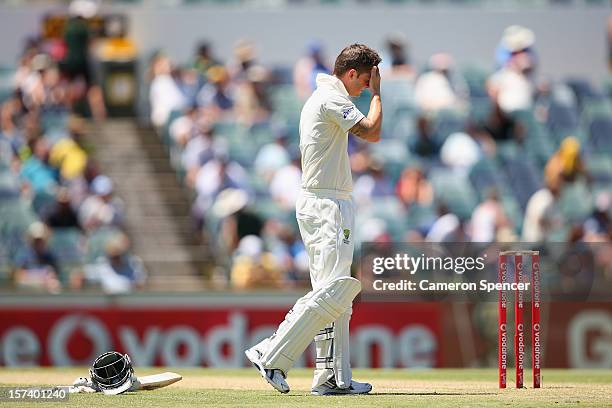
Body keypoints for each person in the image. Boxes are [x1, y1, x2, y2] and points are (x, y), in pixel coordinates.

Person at [245, 44, 382, 396]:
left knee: (336, 296)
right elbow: (371, 131)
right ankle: (270, 352)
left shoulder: (330, 97)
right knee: (334, 290)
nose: (368, 86)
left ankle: (332, 377)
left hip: (330, 200)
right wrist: (379, 95)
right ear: (351, 73)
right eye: (366, 79)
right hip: (325, 202)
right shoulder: (330, 98)